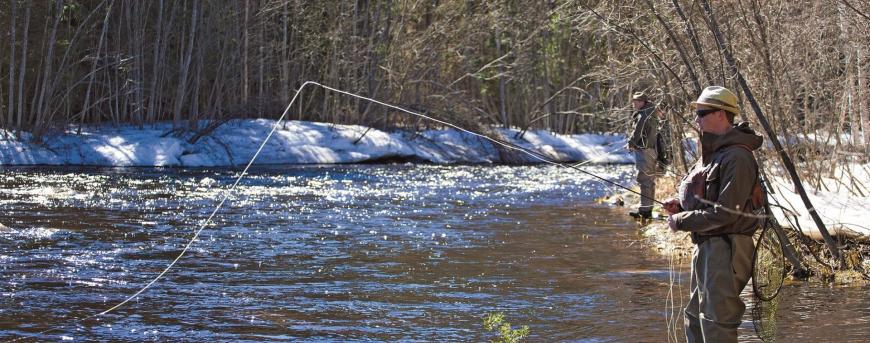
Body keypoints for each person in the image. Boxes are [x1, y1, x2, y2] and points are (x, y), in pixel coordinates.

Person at [663, 86, 763, 343]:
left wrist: (682, 221)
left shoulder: (737, 156)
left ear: (721, 114)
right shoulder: (715, 153)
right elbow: (711, 200)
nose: (696, 118)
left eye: (702, 112)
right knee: (695, 318)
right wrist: (682, 207)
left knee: (717, 321)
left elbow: (726, 212)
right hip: (708, 246)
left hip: (727, 248)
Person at [627, 92, 658, 219]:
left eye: (636, 101)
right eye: (633, 101)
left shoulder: (643, 114)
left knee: (644, 180)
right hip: (651, 150)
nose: (634, 103)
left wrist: (631, 143)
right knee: (649, 180)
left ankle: (645, 211)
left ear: (642, 102)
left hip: (644, 151)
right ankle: (647, 208)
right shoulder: (651, 111)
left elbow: (638, 129)